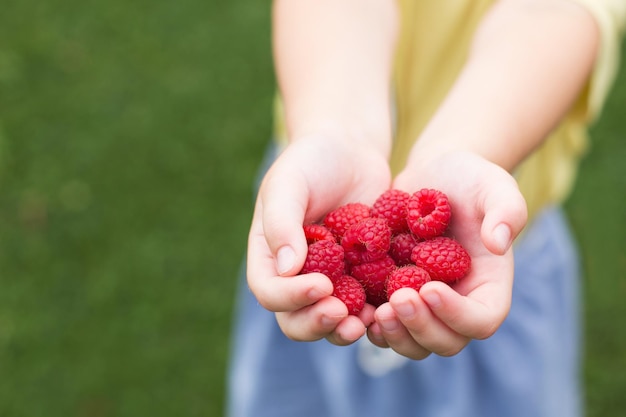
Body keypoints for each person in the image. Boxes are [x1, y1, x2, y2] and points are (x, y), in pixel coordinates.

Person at [228, 1, 625, 416]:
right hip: (314, 195)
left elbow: (550, 15)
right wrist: (336, 130)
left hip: (488, 249)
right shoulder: (336, 241)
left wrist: (463, 149)